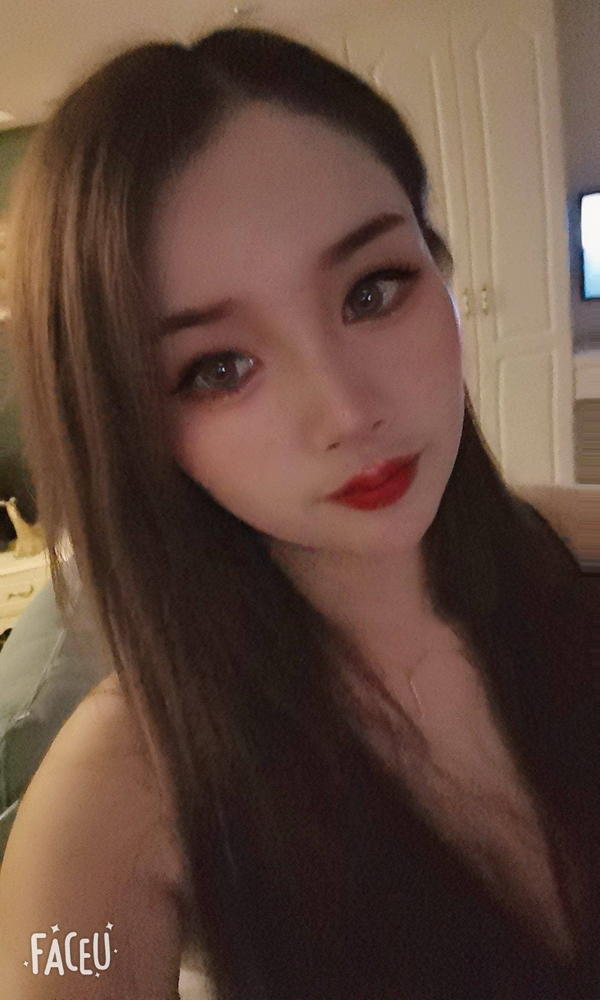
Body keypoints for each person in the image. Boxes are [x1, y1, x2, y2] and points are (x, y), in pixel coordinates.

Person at [0, 25, 597, 1000]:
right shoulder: (116, 797)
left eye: (373, 290)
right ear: (132, 426)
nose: (347, 411)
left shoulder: (575, 558)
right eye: (218, 368)